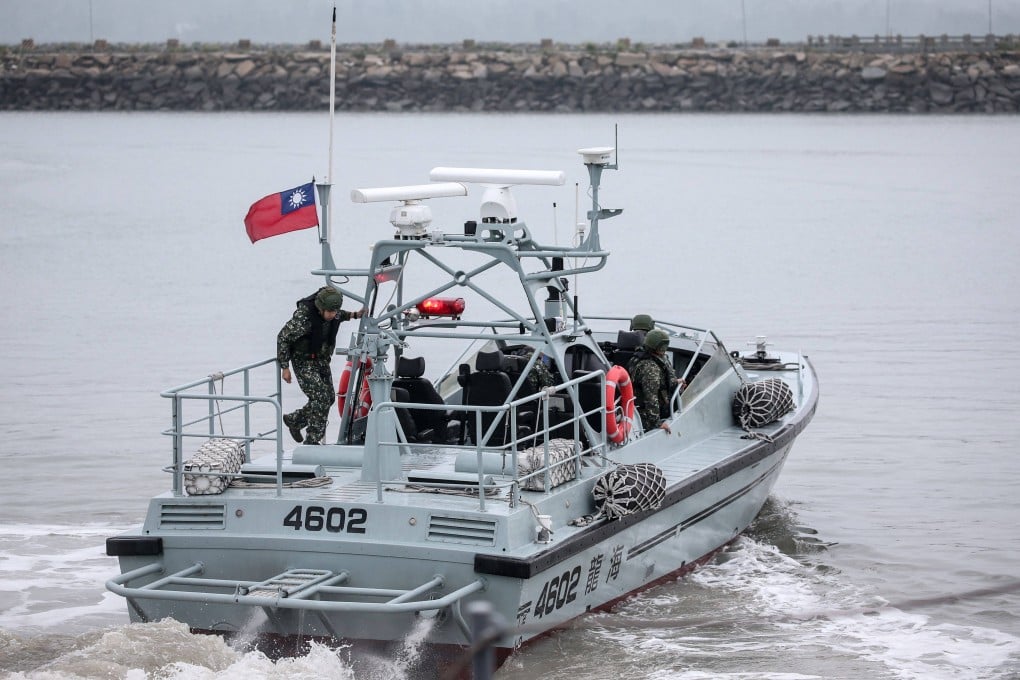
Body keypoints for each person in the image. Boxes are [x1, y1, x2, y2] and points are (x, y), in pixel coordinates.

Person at [278, 286, 365, 445]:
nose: (333, 315)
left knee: (329, 398)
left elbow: (340, 314)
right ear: (320, 308)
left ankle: (295, 420)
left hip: (321, 359)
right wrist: (285, 367)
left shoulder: (332, 312)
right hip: (304, 361)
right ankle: (312, 440)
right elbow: (283, 338)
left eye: (334, 311)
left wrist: (355, 315)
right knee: (321, 397)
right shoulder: (303, 319)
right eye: (330, 312)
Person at [627, 328, 686, 434]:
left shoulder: (642, 357)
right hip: (645, 415)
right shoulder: (650, 368)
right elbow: (651, 397)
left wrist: (675, 381)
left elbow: (661, 381)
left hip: (641, 408)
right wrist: (656, 423)